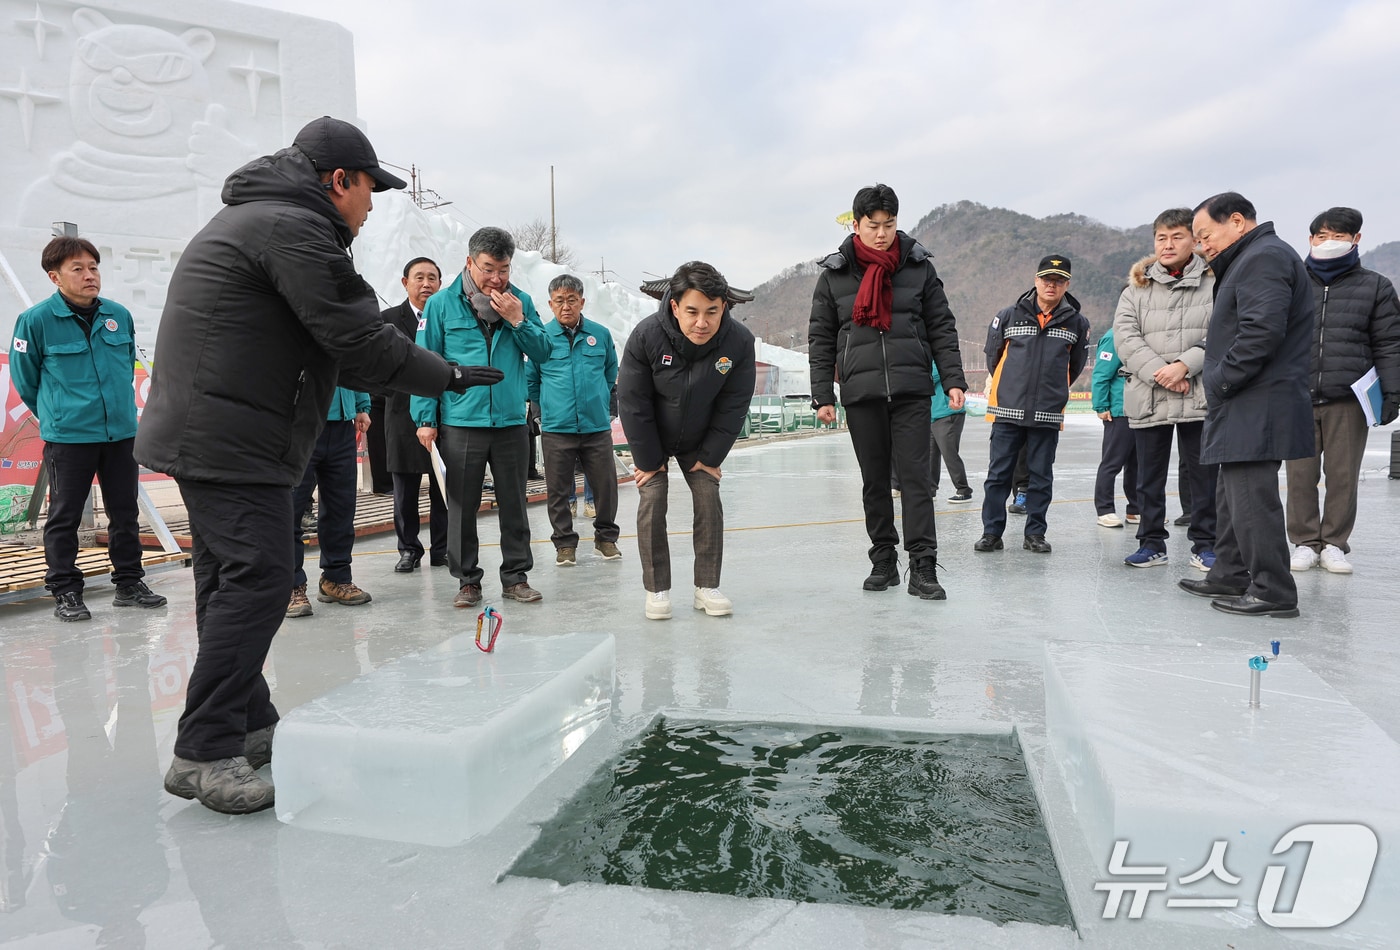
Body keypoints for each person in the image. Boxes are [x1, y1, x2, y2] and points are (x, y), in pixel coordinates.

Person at [136, 116, 502, 814]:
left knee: (230, 576)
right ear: (339, 181)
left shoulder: (267, 218)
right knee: (262, 576)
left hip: (218, 430)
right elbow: (359, 341)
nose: (371, 204)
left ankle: (249, 722)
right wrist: (447, 375)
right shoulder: (292, 229)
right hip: (230, 434)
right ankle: (204, 749)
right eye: (369, 188)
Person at [808, 184, 966, 599]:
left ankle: (923, 566)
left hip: (913, 389)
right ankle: (883, 559)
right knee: (874, 481)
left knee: (916, 480)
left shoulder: (918, 268)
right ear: (856, 225)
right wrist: (823, 394)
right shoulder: (835, 274)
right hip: (862, 392)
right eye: (873, 225)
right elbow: (821, 337)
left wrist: (952, 378)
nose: (882, 233)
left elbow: (942, 326)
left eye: (889, 224)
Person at [10, 236, 167, 621]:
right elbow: (26, 380)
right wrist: (58, 415)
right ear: (55, 277)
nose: (89, 275)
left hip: (121, 435)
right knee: (64, 517)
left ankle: (129, 582)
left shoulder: (118, 315)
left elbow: (127, 362)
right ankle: (65, 589)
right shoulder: (35, 322)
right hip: (69, 439)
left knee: (124, 512)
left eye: (93, 267)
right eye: (77, 269)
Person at [1178, 193, 1313, 618]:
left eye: (1205, 235)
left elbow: (1261, 332)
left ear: (1237, 221)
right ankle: (1231, 573)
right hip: (1246, 399)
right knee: (1231, 495)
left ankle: (1273, 590)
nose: (1202, 246)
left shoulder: (1264, 258)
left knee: (1252, 499)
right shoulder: (1252, 257)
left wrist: (1218, 380)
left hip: (1257, 399)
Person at [411, 227, 551, 607]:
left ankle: (516, 577)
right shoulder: (441, 305)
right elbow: (426, 365)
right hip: (461, 422)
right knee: (460, 506)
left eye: (503, 269)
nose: (497, 279)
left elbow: (542, 352)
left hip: (508, 422)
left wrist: (518, 321)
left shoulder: (519, 300)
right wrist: (426, 418)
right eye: (489, 268)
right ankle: (467, 580)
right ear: (469, 262)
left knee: (514, 503)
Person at [619, 261, 755, 620]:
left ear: (724, 306)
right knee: (652, 498)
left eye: (712, 311)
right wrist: (648, 460)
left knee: (708, 496)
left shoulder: (739, 342)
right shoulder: (646, 336)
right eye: (692, 311)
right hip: (654, 434)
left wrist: (710, 456)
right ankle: (657, 590)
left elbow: (734, 404)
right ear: (675, 305)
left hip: (701, 436)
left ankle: (707, 587)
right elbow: (634, 402)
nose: (702, 322)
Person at [1286, 207, 1400, 575]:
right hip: (1296, 395)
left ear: (1356, 239)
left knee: (1343, 475)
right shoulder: (1292, 280)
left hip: (1348, 399)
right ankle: (1304, 541)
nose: (1328, 242)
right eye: (1321, 236)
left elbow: (1389, 343)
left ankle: (1334, 543)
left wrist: (1393, 393)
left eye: (1338, 236)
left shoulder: (1376, 286)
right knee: (1300, 475)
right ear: (1310, 240)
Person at [1113, 207, 1218, 571]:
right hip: (1149, 393)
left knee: (1204, 475)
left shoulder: (1215, 280)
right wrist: (1162, 371)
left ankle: (1205, 544)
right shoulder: (1135, 289)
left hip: (1199, 391)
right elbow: (1125, 337)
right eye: (1161, 237)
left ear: (1194, 240)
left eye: (1177, 236)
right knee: (1148, 476)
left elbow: (1222, 328)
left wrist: (1184, 365)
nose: (1168, 244)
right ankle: (1151, 541)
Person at [976, 255, 1092, 555]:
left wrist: (1051, 391)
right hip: (1007, 411)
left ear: (1067, 284)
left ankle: (1035, 534)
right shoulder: (1008, 315)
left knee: (1041, 477)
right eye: (1046, 279)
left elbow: (1075, 365)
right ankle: (991, 533)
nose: (1051, 285)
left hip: (1047, 414)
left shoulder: (1077, 323)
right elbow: (994, 355)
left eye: (1058, 280)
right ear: (1035, 279)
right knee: (998, 476)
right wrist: (1011, 387)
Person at [526, 274, 622, 567]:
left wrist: (600, 403)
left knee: (605, 487)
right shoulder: (541, 337)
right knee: (557, 490)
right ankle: (564, 544)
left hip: (595, 427)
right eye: (559, 301)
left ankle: (606, 539)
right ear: (550, 304)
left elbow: (610, 372)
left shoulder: (600, 334)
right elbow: (532, 381)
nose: (565, 306)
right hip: (557, 428)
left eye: (571, 300)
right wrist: (541, 414)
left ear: (581, 301)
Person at [383, 257, 448, 573]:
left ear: (440, 283)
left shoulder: (448, 317)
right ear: (404, 282)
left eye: (432, 278)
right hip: (401, 414)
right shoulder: (388, 321)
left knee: (443, 485)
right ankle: (409, 548)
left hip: (445, 413)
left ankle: (443, 548)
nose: (426, 284)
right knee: (405, 489)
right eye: (419, 277)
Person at [285, 387, 372, 618]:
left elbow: (354, 360)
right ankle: (290, 586)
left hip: (342, 425)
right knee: (288, 511)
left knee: (341, 509)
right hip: (297, 423)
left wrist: (362, 406)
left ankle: (336, 578)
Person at [1090, 326, 1139, 529]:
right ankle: (1105, 509)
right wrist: (1101, 405)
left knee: (1138, 464)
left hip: (1140, 409)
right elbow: (1101, 373)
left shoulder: (1143, 333)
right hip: (1119, 410)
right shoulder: (1113, 336)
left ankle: (1136, 508)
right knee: (1112, 462)